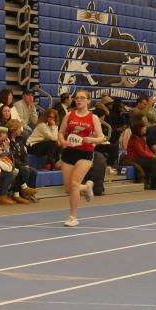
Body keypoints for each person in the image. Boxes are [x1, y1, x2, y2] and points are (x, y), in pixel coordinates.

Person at [58, 89, 108, 226]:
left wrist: (91, 139)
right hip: (69, 152)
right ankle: (86, 187)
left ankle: (72, 217)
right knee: (68, 188)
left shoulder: (93, 118)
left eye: (82, 98)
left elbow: (102, 137)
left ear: (88, 101)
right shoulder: (69, 115)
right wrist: (63, 141)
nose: (78, 100)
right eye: (77, 98)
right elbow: (61, 132)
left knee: (74, 184)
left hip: (85, 153)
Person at [6, 119, 38, 203]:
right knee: (24, 169)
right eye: (19, 128)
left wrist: (26, 163)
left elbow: (24, 154)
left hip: (21, 164)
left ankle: (30, 193)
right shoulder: (8, 141)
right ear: (13, 130)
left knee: (33, 171)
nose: (21, 130)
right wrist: (22, 165)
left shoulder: (19, 140)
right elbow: (11, 157)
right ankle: (21, 192)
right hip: (12, 164)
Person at [125, 123, 156, 190]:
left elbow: (147, 150)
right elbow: (142, 153)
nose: (146, 128)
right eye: (144, 127)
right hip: (135, 159)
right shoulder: (134, 139)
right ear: (139, 129)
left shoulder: (141, 138)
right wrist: (154, 157)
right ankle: (153, 184)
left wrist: (155, 155)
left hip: (141, 158)